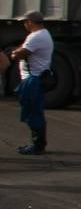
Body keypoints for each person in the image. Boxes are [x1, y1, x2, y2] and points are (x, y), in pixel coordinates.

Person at [10, 11, 53, 154]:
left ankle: (37, 145)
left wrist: (14, 52)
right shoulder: (44, 34)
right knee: (35, 112)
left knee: (33, 113)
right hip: (37, 78)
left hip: (33, 80)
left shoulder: (36, 37)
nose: (24, 24)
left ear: (30, 22)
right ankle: (39, 143)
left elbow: (19, 54)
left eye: (25, 22)